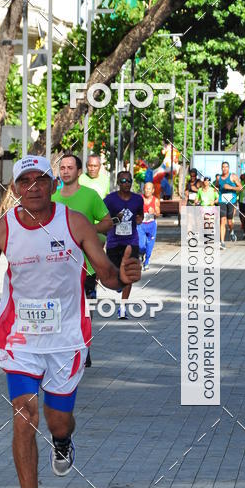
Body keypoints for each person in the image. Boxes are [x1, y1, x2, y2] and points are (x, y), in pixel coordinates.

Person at [0, 155, 141, 488]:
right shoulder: (2, 230)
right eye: (24, 180)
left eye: (40, 179)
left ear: (52, 184)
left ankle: (62, 440)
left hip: (66, 340)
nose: (33, 186)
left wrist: (121, 278)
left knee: (57, 421)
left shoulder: (73, 222)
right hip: (20, 339)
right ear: (14, 190)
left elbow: (105, 272)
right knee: (24, 416)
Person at [52, 153, 112, 366]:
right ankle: (64, 348)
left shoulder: (90, 196)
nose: (66, 171)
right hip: (57, 266)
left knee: (85, 309)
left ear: (79, 172)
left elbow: (107, 222)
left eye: (70, 167)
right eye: (63, 167)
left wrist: (87, 230)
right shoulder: (52, 198)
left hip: (86, 266)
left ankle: (84, 347)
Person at [104, 171, 143, 314]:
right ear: (118, 183)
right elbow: (105, 221)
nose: (126, 183)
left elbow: (140, 216)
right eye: (123, 181)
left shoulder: (138, 199)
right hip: (114, 242)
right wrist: (116, 219)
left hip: (131, 241)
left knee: (129, 275)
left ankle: (123, 306)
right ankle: (119, 284)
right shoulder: (110, 200)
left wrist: (138, 220)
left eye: (128, 181)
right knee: (115, 273)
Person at [218, 160, 241, 249]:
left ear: (228, 168)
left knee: (229, 221)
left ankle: (231, 231)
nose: (224, 168)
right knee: (222, 220)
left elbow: (240, 188)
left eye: (226, 167)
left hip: (231, 200)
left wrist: (230, 187)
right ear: (221, 168)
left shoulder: (233, 176)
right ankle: (222, 242)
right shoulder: (218, 178)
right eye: (223, 167)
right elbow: (216, 186)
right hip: (222, 201)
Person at [138, 182, 161, 270]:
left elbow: (158, 214)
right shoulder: (139, 198)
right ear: (143, 189)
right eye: (146, 188)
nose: (147, 190)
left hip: (151, 225)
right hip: (141, 224)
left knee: (149, 245)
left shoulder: (155, 200)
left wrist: (154, 212)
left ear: (153, 190)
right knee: (141, 245)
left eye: (149, 189)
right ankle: (140, 255)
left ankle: (147, 261)